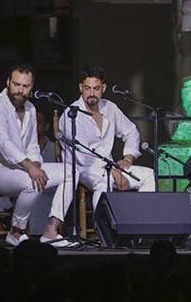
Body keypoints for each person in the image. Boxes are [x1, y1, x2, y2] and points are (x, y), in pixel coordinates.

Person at [0, 64, 73, 247]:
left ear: (32, 87)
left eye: (25, 86)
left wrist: (35, 162)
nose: (20, 90)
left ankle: (51, 230)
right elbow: (4, 143)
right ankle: (16, 232)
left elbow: (32, 144)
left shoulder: (31, 109)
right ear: (8, 82)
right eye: (16, 84)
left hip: (17, 167)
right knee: (31, 182)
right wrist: (29, 166)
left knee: (72, 172)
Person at [58, 66, 155, 216]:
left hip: (112, 167)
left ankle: (142, 224)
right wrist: (112, 171)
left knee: (149, 175)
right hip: (83, 169)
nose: (91, 93)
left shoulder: (110, 108)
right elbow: (83, 155)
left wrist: (128, 158)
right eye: (87, 88)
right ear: (80, 88)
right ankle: (104, 232)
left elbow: (131, 131)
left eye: (96, 88)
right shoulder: (71, 114)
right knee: (105, 182)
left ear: (103, 88)